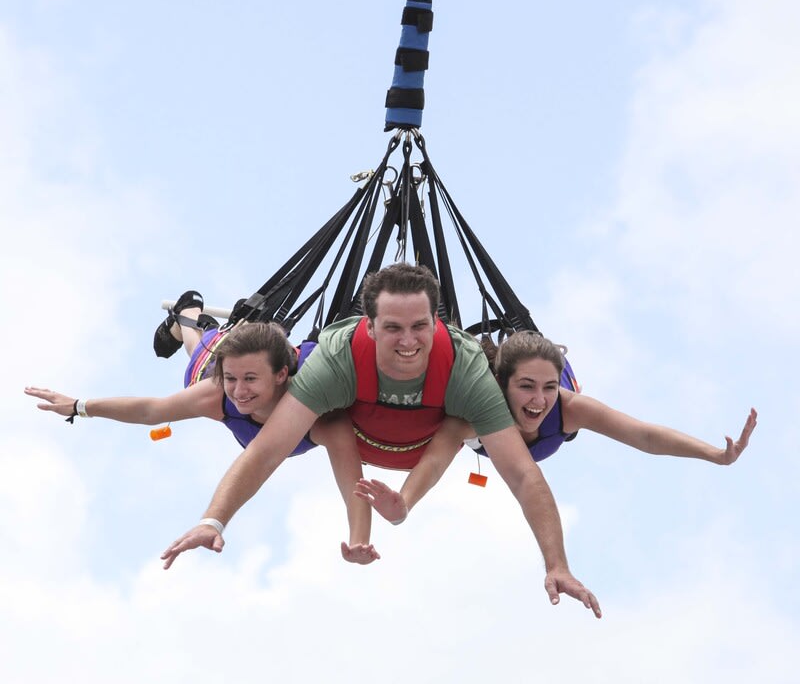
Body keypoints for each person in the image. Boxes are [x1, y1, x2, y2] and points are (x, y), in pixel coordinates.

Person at [160, 263, 602, 618]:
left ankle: (189, 323)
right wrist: (213, 520)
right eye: (393, 327)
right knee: (203, 365)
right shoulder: (335, 362)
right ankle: (188, 321)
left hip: (421, 438)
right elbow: (266, 451)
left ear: (437, 322)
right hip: (352, 419)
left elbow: (524, 475)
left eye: (419, 326)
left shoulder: (465, 370)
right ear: (368, 326)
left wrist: (556, 563)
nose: (408, 341)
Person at [25, 319, 380, 565]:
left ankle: (195, 327)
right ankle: (187, 317)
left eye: (251, 379)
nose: (240, 391)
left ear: (281, 374)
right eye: (232, 379)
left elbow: (353, 480)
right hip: (217, 357)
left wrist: (359, 537)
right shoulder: (218, 393)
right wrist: (78, 406)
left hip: (322, 360)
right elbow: (152, 410)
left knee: (206, 362)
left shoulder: (322, 416)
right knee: (199, 357)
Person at [354, 330, 757, 530]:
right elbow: (437, 459)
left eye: (548, 388)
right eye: (526, 387)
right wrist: (404, 503)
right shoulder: (473, 415)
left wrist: (716, 455)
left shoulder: (567, 408)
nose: (539, 400)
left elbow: (642, 435)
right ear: (504, 385)